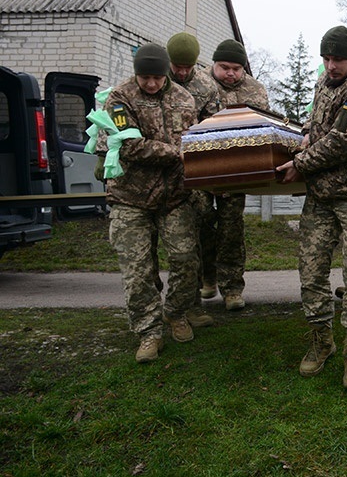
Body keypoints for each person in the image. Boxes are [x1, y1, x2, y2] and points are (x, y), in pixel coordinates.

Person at [277, 26, 347, 389]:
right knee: (311, 270)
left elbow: (342, 141)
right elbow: (317, 121)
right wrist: (305, 134)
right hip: (322, 194)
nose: (330, 65)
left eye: (337, 59)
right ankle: (321, 338)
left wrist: (301, 163)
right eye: (326, 58)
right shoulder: (325, 82)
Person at [99, 44, 199, 363]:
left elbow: (195, 139)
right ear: (136, 73)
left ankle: (175, 313)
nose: (152, 84)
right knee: (138, 270)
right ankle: (148, 332)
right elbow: (127, 145)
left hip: (174, 195)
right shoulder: (120, 98)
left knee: (186, 259)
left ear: (166, 72)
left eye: (157, 77)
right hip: (130, 196)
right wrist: (174, 153)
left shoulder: (184, 98)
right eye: (145, 78)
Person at [208, 39, 271, 312]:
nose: (231, 74)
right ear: (214, 64)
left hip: (236, 172)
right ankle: (206, 274)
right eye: (224, 68)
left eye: (236, 69)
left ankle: (232, 288)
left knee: (231, 230)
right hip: (202, 170)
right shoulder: (200, 85)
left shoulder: (255, 89)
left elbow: (263, 124)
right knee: (200, 223)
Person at [165, 33, 223, 324]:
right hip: (157, 173)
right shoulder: (153, 78)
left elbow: (215, 126)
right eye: (177, 66)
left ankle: (193, 300)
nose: (182, 72)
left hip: (192, 172)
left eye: (187, 67)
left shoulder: (205, 85)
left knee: (198, 233)